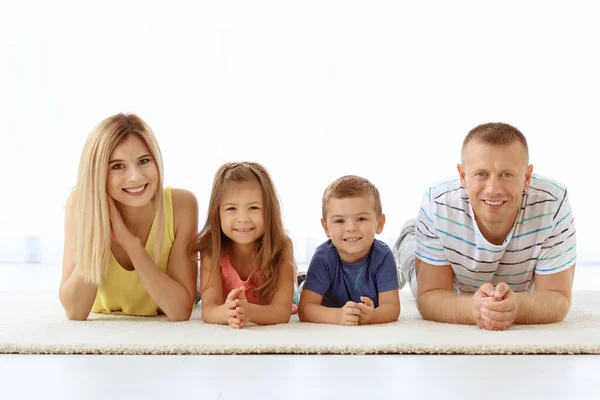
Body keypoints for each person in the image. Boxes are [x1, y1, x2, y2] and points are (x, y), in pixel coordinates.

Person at [394, 122, 576, 330]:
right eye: (481, 174)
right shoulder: (438, 203)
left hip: (513, 283)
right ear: (462, 176)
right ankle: (410, 235)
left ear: (526, 177)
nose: (493, 189)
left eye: (506, 174)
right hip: (452, 271)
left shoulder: (553, 202)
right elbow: (429, 296)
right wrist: (473, 308)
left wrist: (516, 306)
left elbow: (558, 298)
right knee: (412, 266)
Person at [59, 113, 199, 321]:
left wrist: (130, 244)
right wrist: (100, 229)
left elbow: (179, 312)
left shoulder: (182, 205)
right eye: (117, 166)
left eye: (144, 161)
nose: (135, 177)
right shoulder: (79, 203)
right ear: (97, 173)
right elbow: (75, 312)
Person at [192, 162, 299, 329]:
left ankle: (298, 278)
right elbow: (209, 309)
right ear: (217, 212)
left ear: (269, 210)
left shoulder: (282, 245)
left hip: (282, 297)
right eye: (231, 208)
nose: (243, 218)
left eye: (254, 208)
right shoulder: (211, 249)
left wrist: (250, 312)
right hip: (234, 303)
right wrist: (227, 312)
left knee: (300, 292)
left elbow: (281, 312)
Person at [298, 175, 400, 326]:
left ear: (379, 223)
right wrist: (338, 316)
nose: (351, 228)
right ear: (326, 227)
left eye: (361, 219)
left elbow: (392, 308)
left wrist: (374, 316)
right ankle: (302, 281)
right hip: (328, 296)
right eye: (340, 221)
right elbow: (305, 309)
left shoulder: (383, 255)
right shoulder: (323, 257)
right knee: (302, 291)